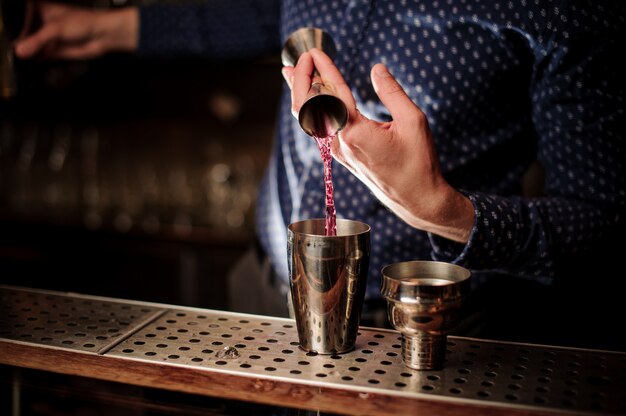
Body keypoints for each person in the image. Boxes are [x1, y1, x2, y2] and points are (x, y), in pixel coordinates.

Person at [15, 1, 626, 350]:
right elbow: (256, 14)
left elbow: (605, 225)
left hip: (429, 332)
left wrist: (444, 210)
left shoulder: (562, 10)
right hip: (262, 292)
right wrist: (99, 28)